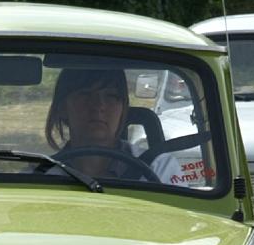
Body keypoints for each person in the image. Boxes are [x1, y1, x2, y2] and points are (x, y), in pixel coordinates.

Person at [45, 66, 212, 187]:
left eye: (110, 96)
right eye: (85, 94)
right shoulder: (41, 175)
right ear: (62, 107)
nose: (98, 105)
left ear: (123, 108)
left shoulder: (160, 169)